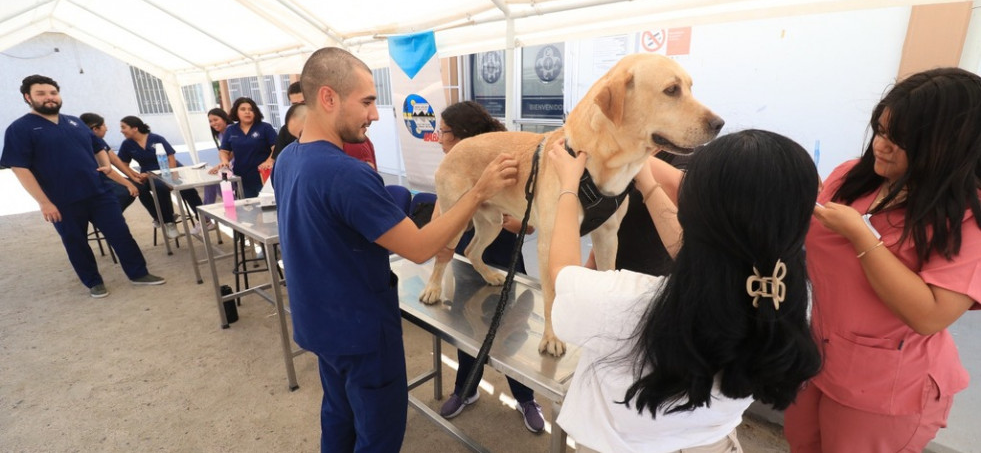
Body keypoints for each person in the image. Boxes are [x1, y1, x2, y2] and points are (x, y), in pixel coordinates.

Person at [273, 47, 517, 452]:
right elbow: (421, 247)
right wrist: (479, 193)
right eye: (367, 101)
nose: (375, 114)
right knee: (379, 433)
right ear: (329, 98)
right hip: (362, 331)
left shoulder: (287, 160)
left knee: (338, 416)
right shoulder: (347, 174)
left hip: (318, 323)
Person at [547, 130, 822, 452]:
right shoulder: (782, 298)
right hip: (712, 443)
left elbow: (561, 273)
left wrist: (568, 187)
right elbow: (711, 260)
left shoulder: (627, 304)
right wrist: (648, 183)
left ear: (691, 211)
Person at [784, 68, 981, 452]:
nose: (881, 146)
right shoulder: (851, 178)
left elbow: (929, 315)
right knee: (801, 441)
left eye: (900, 140)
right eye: (882, 130)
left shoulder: (967, 218)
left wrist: (861, 234)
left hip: (887, 386)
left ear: (948, 146)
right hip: (817, 356)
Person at [429, 100, 546, 432]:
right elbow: (445, 223)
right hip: (470, 261)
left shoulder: (509, 160)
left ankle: (525, 398)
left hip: (507, 260)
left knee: (513, 335)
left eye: (445, 132)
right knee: (467, 333)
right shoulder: (455, 167)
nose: (440, 138)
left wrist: (503, 213)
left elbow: (531, 224)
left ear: (464, 135)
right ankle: (465, 391)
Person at [1, 75, 166, 298]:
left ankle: (139, 273)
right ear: (27, 97)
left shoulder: (74, 122)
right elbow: (20, 168)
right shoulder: (20, 129)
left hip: (99, 193)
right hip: (61, 200)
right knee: (75, 242)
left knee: (121, 233)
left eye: (53, 93)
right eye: (41, 94)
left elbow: (99, 147)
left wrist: (107, 166)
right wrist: (44, 203)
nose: (49, 98)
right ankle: (93, 282)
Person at [80, 112, 179, 239]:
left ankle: (166, 219)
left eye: (123, 127)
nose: (107, 128)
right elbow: (109, 169)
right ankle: (108, 219)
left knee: (150, 186)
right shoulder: (89, 142)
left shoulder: (99, 140)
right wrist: (129, 183)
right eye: (104, 125)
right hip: (96, 180)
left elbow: (116, 161)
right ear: (95, 128)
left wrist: (134, 177)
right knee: (128, 191)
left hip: (161, 171)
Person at [116, 115, 206, 231]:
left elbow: (170, 157)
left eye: (124, 127)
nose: (121, 130)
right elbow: (123, 164)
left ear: (135, 128)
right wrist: (135, 175)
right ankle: (163, 219)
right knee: (141, 188)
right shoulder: (127, 144)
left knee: (181, 188)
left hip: (170, 168)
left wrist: (173, 175)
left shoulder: (156, 138)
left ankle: (203, 219)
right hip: (148, 174)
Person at [213, 97, 277, 198]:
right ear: (236, 112)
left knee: (269, 207)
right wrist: (224, 160)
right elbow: (224, 151)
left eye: (251, 109)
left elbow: (277, 147)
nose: (247, 112)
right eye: (243, 109)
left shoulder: (265, 127)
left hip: (263, 176)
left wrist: (269, 161)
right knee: (249, 209)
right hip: (242, 178)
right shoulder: (231, 130)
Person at [203, 108, 231, 205]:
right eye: (210, 121)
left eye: (216, 119)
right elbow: (223, 154)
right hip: (228, 166)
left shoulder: (231, 130)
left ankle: (206, 217)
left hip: (237, 166)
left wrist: (220, 166)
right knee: (212, 181)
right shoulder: (220, 134)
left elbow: (233, 152)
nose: (213, 123)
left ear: (224, 119)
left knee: (213, 181)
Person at [272, 82, 304, 161]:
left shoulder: (329, 125)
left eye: (303, 102)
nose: (299, 107)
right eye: (295, 104)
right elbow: (277, 159)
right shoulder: (286, 130)